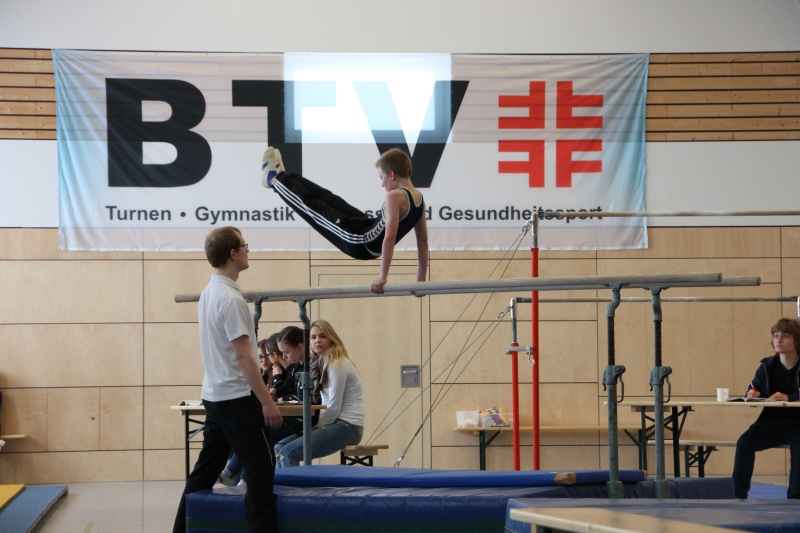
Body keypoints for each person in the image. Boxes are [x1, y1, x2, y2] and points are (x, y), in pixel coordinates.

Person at [172, 226, 283, 533]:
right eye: (245, 246)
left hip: (215, 395)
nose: (249, 250)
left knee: (204, 472)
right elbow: (244, 357)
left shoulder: (209, 293)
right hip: (237, 399)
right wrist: (266, 401)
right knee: (261, 469)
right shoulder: (231, 299)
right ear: (233, 254)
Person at [261, 146, 428, 294]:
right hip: (366, 227)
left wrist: (382, 276)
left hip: (359, 241)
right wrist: (421, 280)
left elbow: (389, 238)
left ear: (391, 174)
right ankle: (285, 176)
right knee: (330, 198)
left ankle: (273, 179)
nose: (382, 184)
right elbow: (423, 242)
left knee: (314, 208)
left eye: (381, 177)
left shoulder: (394, 196)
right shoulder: (420, 199)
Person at [274, 319, 364, 467]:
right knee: (279, 448)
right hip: (336, 423)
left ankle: (294, 484)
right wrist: (317, 427)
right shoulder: (320, 363)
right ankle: (283, 482)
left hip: (348, 426)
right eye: (313, 337)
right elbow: (325, 400)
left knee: (289, 452)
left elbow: (333, 405)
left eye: (323, 336)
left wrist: (318, 427)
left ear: (331, 338)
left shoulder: (337, 363)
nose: (317, 341)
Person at [733, 317, 800, 499]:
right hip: (772, 421)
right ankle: (737, 495)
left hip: (798, 423)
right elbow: (753, 390)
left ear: (796, 340)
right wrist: (751, 395)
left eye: (785, 336)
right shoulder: (766, 366)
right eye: (776, 336)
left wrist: (790, 398)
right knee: (744, 442)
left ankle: (795, 500)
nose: (778, 340)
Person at [218, 334, 285, 487]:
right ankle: (235, 481)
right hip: (268, 419)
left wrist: (277, 379)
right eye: (260, 357)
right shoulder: (258, 378)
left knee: (252, 436)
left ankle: (233, 475)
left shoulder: (281, 374)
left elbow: (281, 392)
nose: (264, 360)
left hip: (280, 421)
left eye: (267, 356)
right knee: (235, 435)